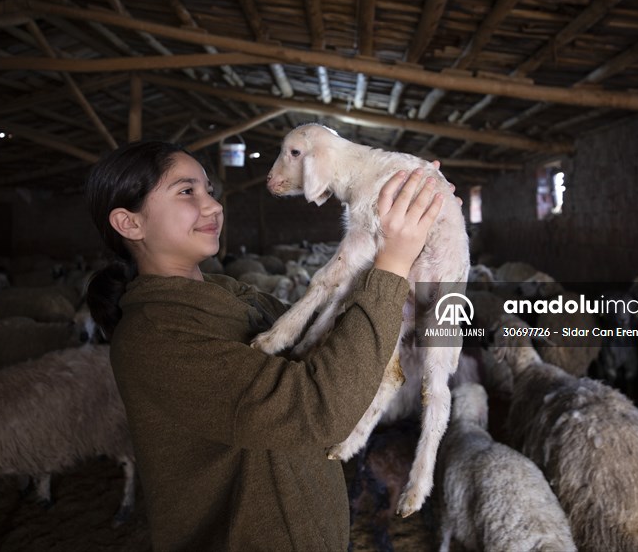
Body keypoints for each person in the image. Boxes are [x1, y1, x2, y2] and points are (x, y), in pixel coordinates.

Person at [84, 140, 444, 551]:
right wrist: (391, 264)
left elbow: (333, 353)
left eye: (209, 191)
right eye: (187, 192)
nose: (214, 206)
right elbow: (319, 408)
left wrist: (405, 225)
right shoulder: (154, 337)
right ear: (130, 223)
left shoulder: (232, 295)